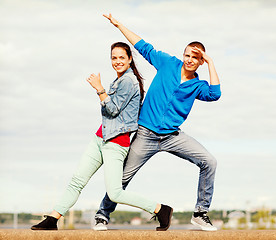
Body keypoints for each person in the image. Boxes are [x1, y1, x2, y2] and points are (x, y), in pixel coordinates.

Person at [93, 14, 221, 231]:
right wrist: (119, 25)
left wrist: (211, 62)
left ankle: (200, 213)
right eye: (187, 54)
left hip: (173, 136)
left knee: (209, 161)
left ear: (200, 61)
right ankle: (102, 214)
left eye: (195, 57)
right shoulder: (168, 63)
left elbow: (215, 93)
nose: (190, 59)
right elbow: (143, 46)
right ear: (183, 55)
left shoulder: (198, 85)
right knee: (122, 177)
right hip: (146, 134)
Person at [30, 42, 173, 231]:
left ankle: (160, 209)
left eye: (122, 57)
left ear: (130, 59)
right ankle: (53, 219)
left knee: (115, 193)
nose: (117, 61)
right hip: (100, 138)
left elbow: (112, 110)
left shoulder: (129, 81)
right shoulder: (120, 80)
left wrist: (99, 89)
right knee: (77, 181)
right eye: (114, 58)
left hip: (116, 143)